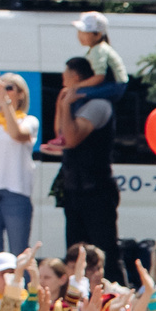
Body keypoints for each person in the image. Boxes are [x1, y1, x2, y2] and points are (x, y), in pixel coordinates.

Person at [51, 60, 118, 254]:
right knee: (75, 250)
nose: (62, 79)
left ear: (77, 77)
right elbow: (61, 136)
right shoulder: (75, 105)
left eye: (66, 74)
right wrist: (61, 104)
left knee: (103, 250)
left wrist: (65, 107)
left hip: (96, 190)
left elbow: (71, 140)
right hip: (74, 190)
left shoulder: (97, 105)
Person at [68, 11, 129, 106]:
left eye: (85, 33)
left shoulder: (98, 50)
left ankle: (79, 120)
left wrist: (78, 85)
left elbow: (99, 77)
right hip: (112, 85)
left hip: (114, 86)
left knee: (76, 94)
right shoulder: (95, 49)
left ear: (98, 35)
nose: (80, 36)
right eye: (79, 32)